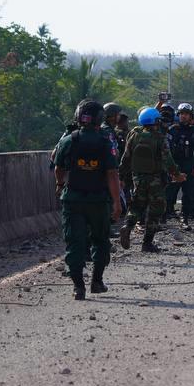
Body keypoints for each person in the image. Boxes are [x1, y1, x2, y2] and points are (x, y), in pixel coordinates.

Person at [52, 100, 122, 300]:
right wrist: (117, 203)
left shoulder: (69, 140)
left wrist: (59, 184)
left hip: (73, 200)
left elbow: (58, 167)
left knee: (74, 243)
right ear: (100, 118)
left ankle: (78, 287)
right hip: (99, 201)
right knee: (100, 241)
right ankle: (97, 282)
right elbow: (112, 174)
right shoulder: (105, 142)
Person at [120, 107, 183, 252]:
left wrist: (121, 175)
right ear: (155, 121)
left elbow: (126, 157)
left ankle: (127, 226)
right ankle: (147, 243)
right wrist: (177, 174)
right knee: (156, 209)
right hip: (155, 179)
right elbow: (168, 160)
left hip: (137, 178)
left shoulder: (134, 134)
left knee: (137, 205)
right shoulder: (160, 137)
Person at [168, 103, 194, 229]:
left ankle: (184, 218)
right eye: (182, 114)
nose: (184, 116)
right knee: (170, 193)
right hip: (175, 165)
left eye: (186, 114)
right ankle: (164, 217)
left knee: (188, 194)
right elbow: (167, 150)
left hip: (189, 165)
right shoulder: (172, 130)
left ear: (190, 116)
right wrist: (170, 168)